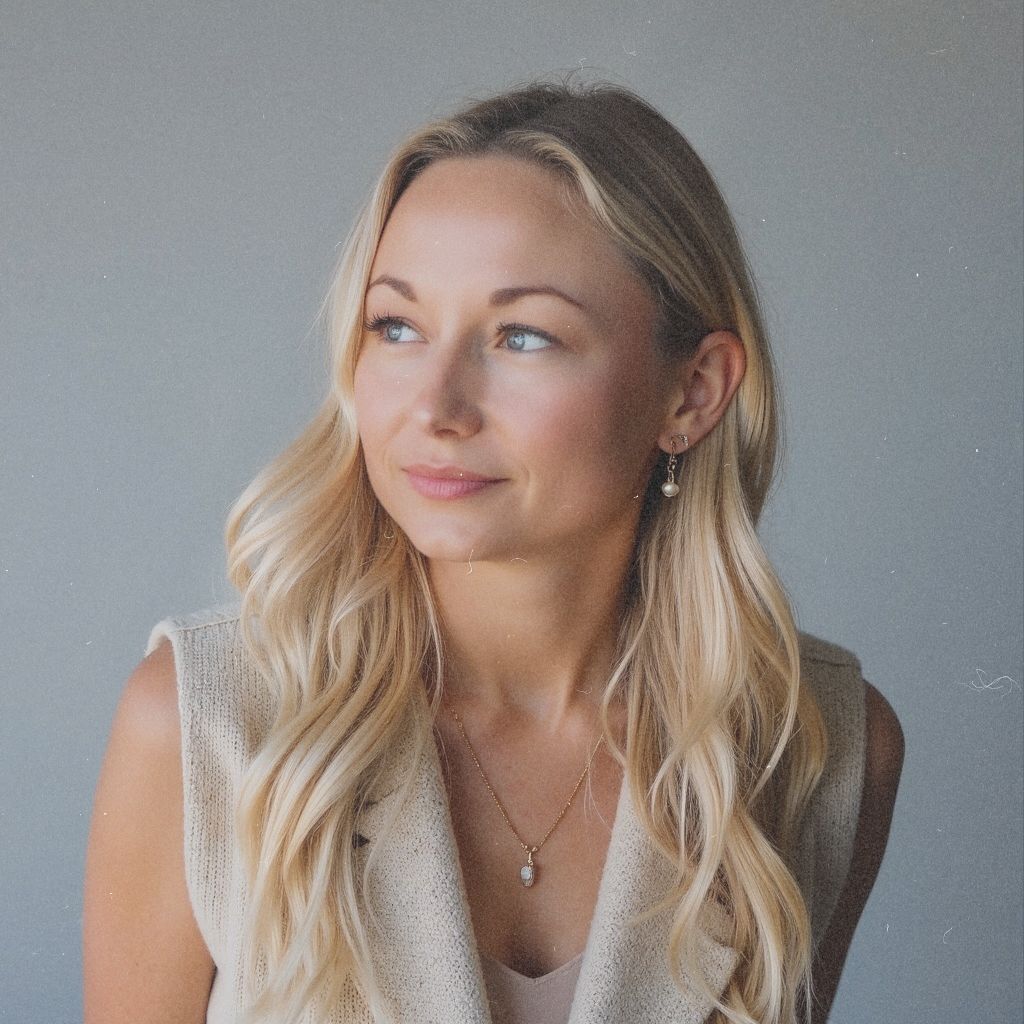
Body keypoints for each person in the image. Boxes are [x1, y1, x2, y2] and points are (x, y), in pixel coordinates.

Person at [82, 81, 904, 1024]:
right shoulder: (203, 724)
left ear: (693, 392)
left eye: (522, 336)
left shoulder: (822, 749)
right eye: (396, 326)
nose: (435, 407)